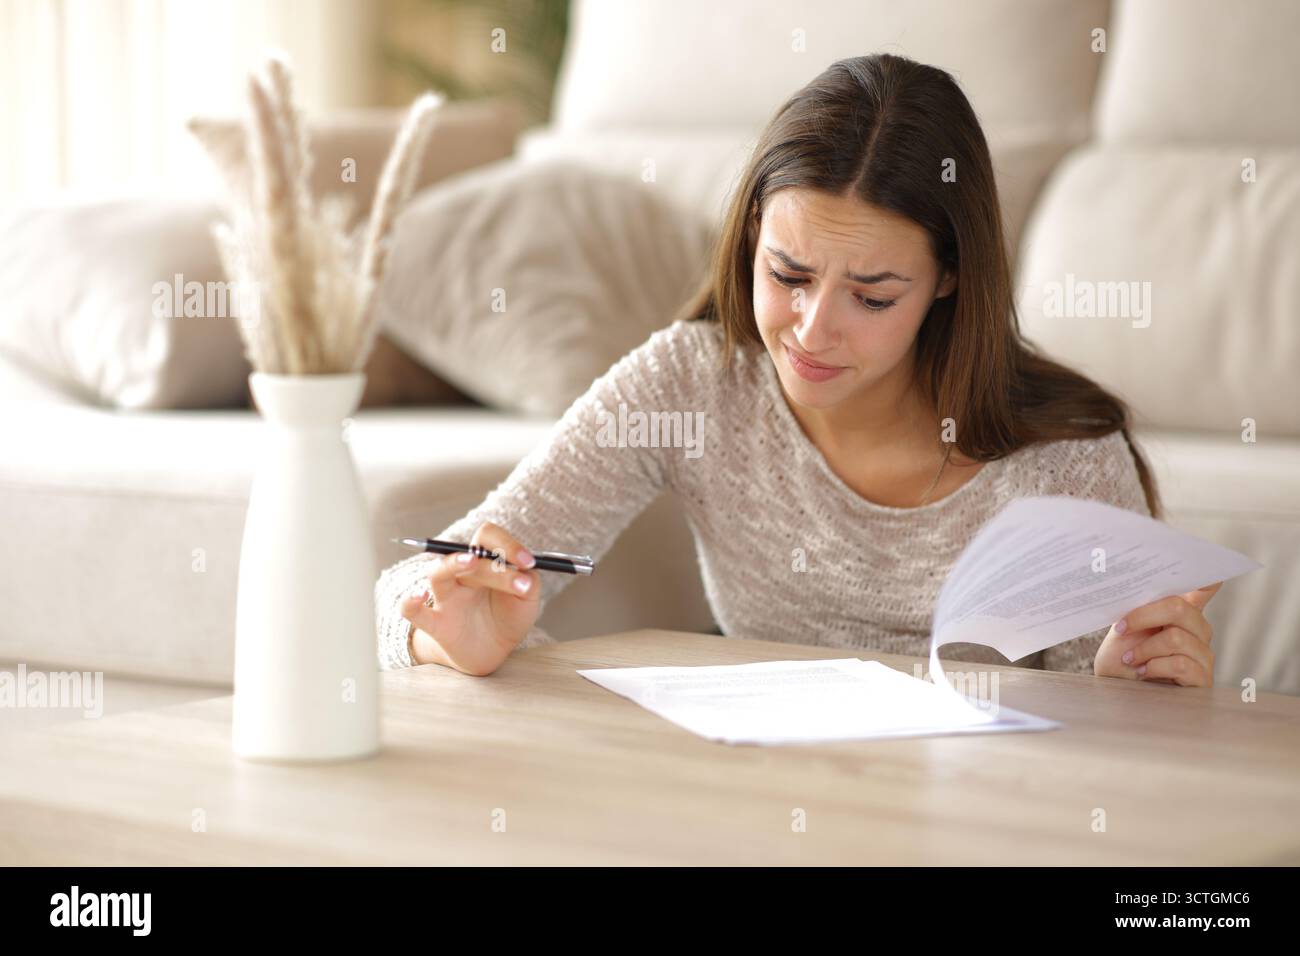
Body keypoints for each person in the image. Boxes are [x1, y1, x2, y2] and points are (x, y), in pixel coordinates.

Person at [374, 53, 1220, 686]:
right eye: (788, 275)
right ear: (749, 242)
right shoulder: (691, 384)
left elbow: (1102, 756)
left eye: (873, 295)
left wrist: (1128, 692)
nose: (812, 331)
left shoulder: (1066, 457)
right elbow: (411, 584)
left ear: (949, 282)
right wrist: (443, 634)